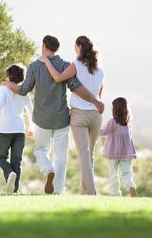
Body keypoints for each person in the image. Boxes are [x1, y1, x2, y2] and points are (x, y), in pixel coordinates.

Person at [4, 35, 104, 194]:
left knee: (40, 150)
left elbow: (23, 90)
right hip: (62, 118)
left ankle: (47, 170)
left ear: (44, 45)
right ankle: (58, 191)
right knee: (61, 158)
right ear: (57, 48)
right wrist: (95, 101)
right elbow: (75, 87)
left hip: (42, 119)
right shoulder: (65, 65)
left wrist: (9, 85)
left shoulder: (35, 66)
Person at [39, 35, 104, 195]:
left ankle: (91, 192)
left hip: (79, 115)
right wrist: (95, 103)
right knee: (90, 153)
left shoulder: (76, 65)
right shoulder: (101, 69)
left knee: (83, 153)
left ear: (79, 47)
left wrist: (47, 61)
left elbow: (58, 77)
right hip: (96, 115)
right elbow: (99, 93)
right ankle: (84, 190)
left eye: (75, 46)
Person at [0, 65, 34, 193]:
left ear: (9, 76)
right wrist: (32, 127)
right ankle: (14, 189)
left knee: (1, 158)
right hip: (20, 130)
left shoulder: (4, 88)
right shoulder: (24, 92)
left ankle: (10, 173)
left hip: (5, 129)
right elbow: (32, 112)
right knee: (17, 161)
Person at [100, 97, 138, 197]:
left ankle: (115, 194)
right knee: (126, 173)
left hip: (113, 153)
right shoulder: (128, 123)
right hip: (127, 153)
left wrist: (92, 128)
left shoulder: (113, 122)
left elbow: (103, 132)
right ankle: (130, 186)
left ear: (115, 110)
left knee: (113, 174)